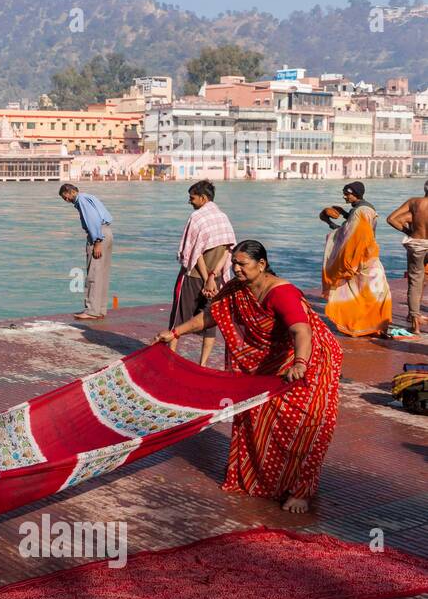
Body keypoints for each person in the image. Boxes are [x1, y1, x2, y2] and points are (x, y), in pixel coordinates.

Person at [155, 240, 342, 514]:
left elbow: (301, 331)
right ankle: (265, 479)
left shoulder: (282, 293)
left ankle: (301, 491)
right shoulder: (236, 290)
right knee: (260, 418)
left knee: (306, 426)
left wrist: (300, 363)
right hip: (269, 363)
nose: (237, 269)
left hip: (311, 360)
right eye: (234, 264)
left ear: (262, 264)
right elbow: (210, 316)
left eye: (242, 264)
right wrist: (174, 333)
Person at [169, 180, 236, 366]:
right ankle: (203, 363)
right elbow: (228, 250)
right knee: (209, 321)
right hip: (217, 279)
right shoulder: (223, 217)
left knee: (179, 319)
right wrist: (214, 277)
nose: (189, 202)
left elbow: (193, 252)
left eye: (192, 198)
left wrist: (207, 278)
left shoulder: (197, 217)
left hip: (194, 277)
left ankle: (170, 359)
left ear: (203, 198)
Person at [319, 181, 392, 336]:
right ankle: (374, 325)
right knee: (372, 291)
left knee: (365, 292)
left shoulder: (360, 211)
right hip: (368, 256)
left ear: (355, 194)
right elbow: (354, 229)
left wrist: (328, 222)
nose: (344, 196)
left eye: (347, 194)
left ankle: (367, 325)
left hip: (362, 259)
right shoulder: (364, 208)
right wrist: (343, 214)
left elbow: (351, 236)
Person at [59, 183, 113, 320]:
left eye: (65, 197)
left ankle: (91, 311)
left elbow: (93, 220)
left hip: (99, 235)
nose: (66, 200)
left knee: (93, 274)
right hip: (107, 232)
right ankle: (100, 309)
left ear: (71, 192)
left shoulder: (81, 201)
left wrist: (97, 242)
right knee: (102, 274)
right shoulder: (89, 197)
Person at [386, 180, 428, 334]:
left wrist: (408, 232)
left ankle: (415, 325)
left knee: (415, 282)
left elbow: (391, 219)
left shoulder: (414, 202)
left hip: (417, 243)